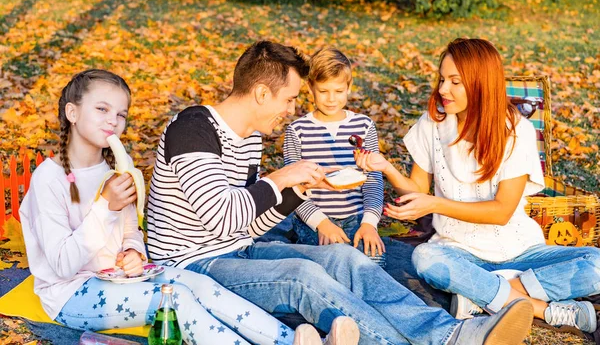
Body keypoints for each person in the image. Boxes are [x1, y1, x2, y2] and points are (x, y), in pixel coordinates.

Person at [147, 40, 535, 345]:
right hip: (192, 264)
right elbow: (222, 216)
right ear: (262, 94)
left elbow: (248, 221)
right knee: (300, 274)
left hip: (237, 248)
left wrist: (298, 190)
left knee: (343, 259)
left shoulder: (247, 137)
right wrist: (281, 178)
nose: (290, 109)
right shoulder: (193, 129)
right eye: (289, 99)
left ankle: (450, 334)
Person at [19, 69, 345, 345]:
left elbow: (131, 233)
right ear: (72, 113)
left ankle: (294, 341)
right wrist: (105, 206)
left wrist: (133, 253)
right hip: (71, 296)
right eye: (102, 110)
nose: (113, 121)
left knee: (202, 285)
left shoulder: (115, 170)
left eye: (121, 114)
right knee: (177, 300)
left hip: (119, 280)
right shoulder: (50, 179)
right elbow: (62, 265)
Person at [354, 38, 600, 334]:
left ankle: (482, 295)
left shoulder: (515, 130)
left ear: (480, 84)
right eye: (443, 79)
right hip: (457, 252)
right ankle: (542, 309)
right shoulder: (433, 123)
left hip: (521, 253)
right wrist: (387, 167)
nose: (443, 89)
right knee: (425, 258)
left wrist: (435, 204)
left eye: (455, 82)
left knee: (596, 263)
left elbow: (501, 212)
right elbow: (417, 190)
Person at [283, 47, 385, 266]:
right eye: (323, 91)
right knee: (328, 267)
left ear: (349, 87)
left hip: (357, 218)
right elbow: (292, 187)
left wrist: (369, 223)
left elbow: (374, 180)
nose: (331, 99)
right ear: (310, 87)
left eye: (338, 91)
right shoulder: (297, 130)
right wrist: (322, 223)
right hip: (315, 220)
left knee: (373, 266)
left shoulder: (364, 126)